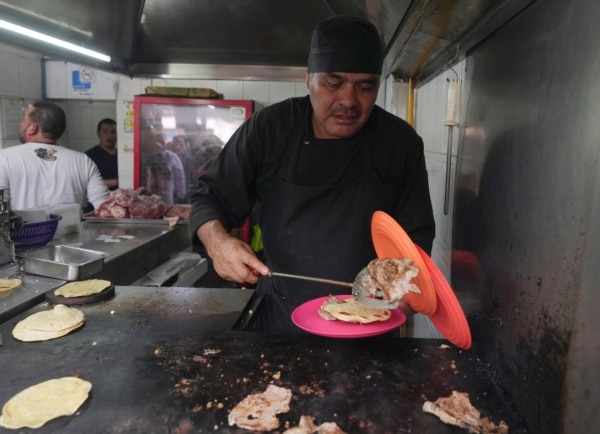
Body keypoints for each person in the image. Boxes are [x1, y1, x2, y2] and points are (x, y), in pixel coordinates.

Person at [190, 15, 435, 333]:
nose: (348, 100)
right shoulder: (269, 129)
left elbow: (415, 238)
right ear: (309, 79)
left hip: (370, 323)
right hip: (280, 320)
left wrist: (407, 284)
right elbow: (211, 197)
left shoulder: (400, 143)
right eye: (333, 84)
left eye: (365, 87)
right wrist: (218, 242)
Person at [0, 102, 110, 211]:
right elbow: (105, 208)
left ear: (33, 128)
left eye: (24, 120)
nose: (20, 124)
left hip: (23, 229)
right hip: (72, 229)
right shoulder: (83, 161)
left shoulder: (4, 158)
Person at [139, 130, 186, 205]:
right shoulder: (143, 156)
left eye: (162, 141)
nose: (159, 144)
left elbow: (179, 177)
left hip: (167, 196)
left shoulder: (172, 157)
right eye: (157, 141)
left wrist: (180, 194)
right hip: (147, 196)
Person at [86, 118, 119, 191]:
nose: (109, 136)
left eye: (113, 132)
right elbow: (87, 182)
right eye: (105, 132)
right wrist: (117, 181)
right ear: (98, 133)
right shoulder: (89, 156)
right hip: (99, 200)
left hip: (121, 198)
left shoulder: (122, 155)